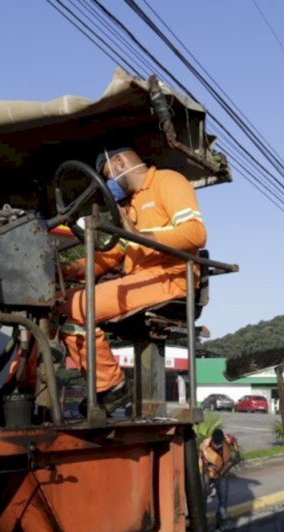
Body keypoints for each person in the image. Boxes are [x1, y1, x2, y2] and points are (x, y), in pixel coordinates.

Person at [57, 147, 207, 414]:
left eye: (108, 176)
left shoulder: (168, 181)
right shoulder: (132, 205)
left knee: (75, 306)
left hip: (170, 278)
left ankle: (113, 389)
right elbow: (110, 257)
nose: (109, 184)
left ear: (119, 162)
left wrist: (140, 235)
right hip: (142, 280)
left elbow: (195, 233)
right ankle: (104, 388)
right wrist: (65, 268)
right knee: (59, 303)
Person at [200, 429, 238, 525]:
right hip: (207, 472)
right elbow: (204, 469)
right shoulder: (205, 448)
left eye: (219, 443)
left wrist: (237, 452)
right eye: (216, 444)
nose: (218, 446)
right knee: (203, 496)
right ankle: (201, 518)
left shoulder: (226, 439)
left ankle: (221, 516)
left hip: (222, 472)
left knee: (223, 495)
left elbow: (233, 440)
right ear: (212, 440)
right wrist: (207, 484)